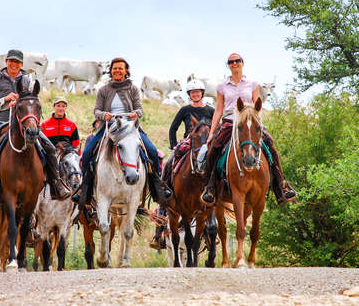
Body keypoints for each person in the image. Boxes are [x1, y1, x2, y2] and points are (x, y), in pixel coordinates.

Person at [0, 49, 71, 203]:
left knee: (50, 148)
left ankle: (56, 184)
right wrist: (4, 101)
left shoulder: (28, 80)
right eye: (11, 61)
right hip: (0, 121)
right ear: (6, 62)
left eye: (17, 62)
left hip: (25, 123)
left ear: (21, 64)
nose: (13, 64)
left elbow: (34, 101)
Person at [200, 52, 296, 205]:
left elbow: (258, 106)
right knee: (214, 148)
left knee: (270, 145)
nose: (234, 64)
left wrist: (258, 124)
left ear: (242, 63)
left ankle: (281, 185)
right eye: (231, 62)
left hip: (250, 122)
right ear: (228, 65)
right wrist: (211, 132)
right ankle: (210, 187)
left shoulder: (253, 83)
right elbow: (218, 110)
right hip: (230, 122)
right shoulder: (222, 86)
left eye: (237, 61)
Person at [78, 57, 170, 209]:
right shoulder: (103, 90)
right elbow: (97, 110)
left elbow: (139, 109)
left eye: (120, 68)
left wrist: (135, 114)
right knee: (87, 153)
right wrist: (103, 116)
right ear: (111, 71)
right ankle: (84, 190)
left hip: (130, 128)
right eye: (115, 68)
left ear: (126, 71)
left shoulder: (133, 89)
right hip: (108, 128)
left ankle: (157, 187)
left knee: (152, 152)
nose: (117, 71)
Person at [150, 79, 215, 249]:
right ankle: (164, 195)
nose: (195, 94)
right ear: (189, 95)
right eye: (192, 92)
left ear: (202, 92)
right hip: (189, 143)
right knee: (170, 161)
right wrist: (173, 145)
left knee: (218, 166)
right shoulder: (185, 110)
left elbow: (218, 126)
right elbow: (173, 128)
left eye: (197, 91)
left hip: (207, 143)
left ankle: (220, 192)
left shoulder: (210, 110)